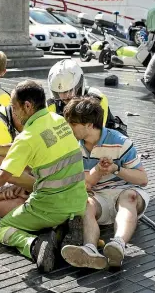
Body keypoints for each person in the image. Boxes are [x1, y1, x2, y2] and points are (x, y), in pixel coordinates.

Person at [0, 80, 88, 273]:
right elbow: (28, 147)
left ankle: (34, 246)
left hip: (50, 207)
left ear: (27, 106)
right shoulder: (58, 120)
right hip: (79, 202)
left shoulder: (27, 137)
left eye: (14, 106)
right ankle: (64, 228)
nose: (12, 112)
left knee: (0, 229)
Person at [60, 97, 149, 269]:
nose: (68, 128)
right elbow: (86, 184)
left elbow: (143, 180)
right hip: (98, 195)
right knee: (85, 203)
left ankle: (118, 244)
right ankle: (90, 249)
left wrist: (116, 169)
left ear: (89, 125)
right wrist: (99, 170)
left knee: (129, 197)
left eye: (72, 123)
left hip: (124, 191)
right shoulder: (72, 146)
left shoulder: (120, 142)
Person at [47, 59, 127, 135]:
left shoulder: (96, 100)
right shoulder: (52, 104)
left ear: (79, 86)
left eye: (69, 91)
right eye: (59, 92)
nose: (64, 96)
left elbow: (96, 134)